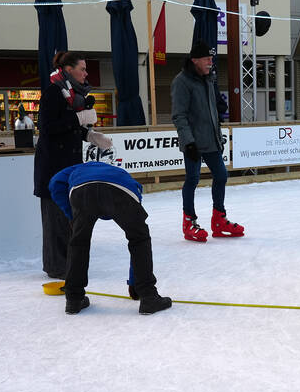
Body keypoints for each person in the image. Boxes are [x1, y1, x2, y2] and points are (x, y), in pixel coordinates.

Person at [48, 161, 172, 315]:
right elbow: (136, 234)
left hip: (82, 190)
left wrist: (73, 218)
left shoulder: (75, 169)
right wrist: (135, 284)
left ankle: (73, 299)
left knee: (78, 242)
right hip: (119, 189)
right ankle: (148, 297)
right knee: (139, 238)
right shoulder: (123, 176)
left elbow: (55, 183)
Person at [35, 51, 112, 279]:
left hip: (68, 168)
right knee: (55, 221)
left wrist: (89, 136)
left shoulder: (71, 95)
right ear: (68, 70)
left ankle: (68, 264)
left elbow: (67, 129)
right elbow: (47, 127)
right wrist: (78, 119)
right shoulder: (53, 93)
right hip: (52, 169)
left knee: (68, 218)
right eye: (82, 68)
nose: (86, 73)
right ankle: (57, 267)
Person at [172, 39, 243, 242]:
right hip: (193, 142)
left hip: (211, 140)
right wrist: (189, 142)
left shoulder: (209, 79)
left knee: (221, 176)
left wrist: (218, 132)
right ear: (195, 60)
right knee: (192, 180)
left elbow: (213, 111)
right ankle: (189, 221)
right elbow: (179, 115)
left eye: (212, 58)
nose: (211, 62)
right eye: (207, 58)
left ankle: (219, 219)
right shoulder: (182, 81)